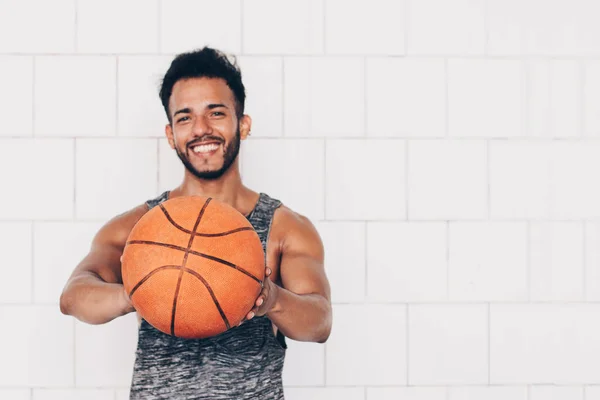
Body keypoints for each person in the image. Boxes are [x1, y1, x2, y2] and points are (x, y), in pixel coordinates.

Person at [59, 46, 332, 400]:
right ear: (171, 134)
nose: (201, 129)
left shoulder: (284, 227)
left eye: (216, 113)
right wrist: (141, 291)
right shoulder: (141, 228)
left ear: (243, 124)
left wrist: (271, 299)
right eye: (185, 117)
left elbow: (320, 322)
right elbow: (73, 297)